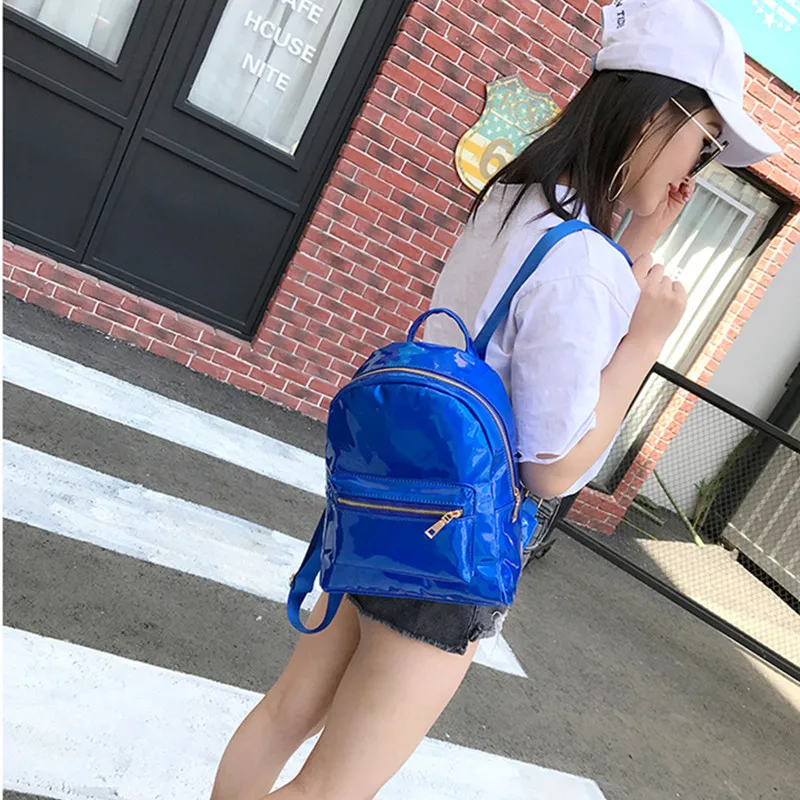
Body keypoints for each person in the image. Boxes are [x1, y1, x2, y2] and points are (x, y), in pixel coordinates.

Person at [210, 1, 780, 797]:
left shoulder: (516, 195)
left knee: (285, 714)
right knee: (333, 787)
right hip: (454, 546)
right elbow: (552, 466)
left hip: (388, 497)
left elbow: (522, 325)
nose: (701, 167)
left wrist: (636, 246)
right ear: (658, 112)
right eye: (707, 139)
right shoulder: (588, 267)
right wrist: (645, 344)